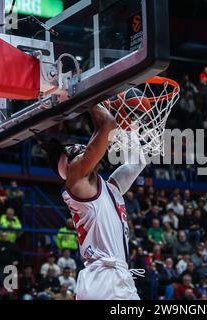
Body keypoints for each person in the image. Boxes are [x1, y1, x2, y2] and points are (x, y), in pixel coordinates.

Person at [43, 102, 147, 300]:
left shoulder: (111, 189)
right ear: (69, 166)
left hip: (113, 277)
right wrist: (92, 94)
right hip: (105, 278)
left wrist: (131, 129)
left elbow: (137, 163)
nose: (83, 148)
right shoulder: (75, 180)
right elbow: (107, 124)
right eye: (76, 150)